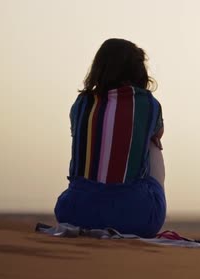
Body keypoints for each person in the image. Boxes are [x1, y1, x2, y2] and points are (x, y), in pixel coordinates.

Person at [54, 38, 166, 238]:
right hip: (136, 218)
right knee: (152, 143)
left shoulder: (80, 104)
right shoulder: (149, 104)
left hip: (73, 213)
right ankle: (135, 198)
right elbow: (158, 134)